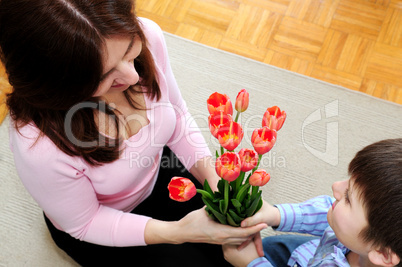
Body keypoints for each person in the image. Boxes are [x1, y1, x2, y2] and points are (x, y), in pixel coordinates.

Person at [0, 0, 267, 266]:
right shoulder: (38, 145)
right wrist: (179, 233)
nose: (132, 76)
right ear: (59, 86)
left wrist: (212, 178)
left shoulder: (147, 35)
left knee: (237, 238)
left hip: (160, 172)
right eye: (103, 76)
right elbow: (86, 222)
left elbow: (177, 114)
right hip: (102, 223)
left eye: (130, 52)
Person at [223, 138, 402, 267]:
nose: (336, 187)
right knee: (271, 246)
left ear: (383, 253)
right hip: (321, 250)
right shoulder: (362, 237)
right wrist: (276, 215)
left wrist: (251, 263)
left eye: (348, 197)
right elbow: (326, 210)